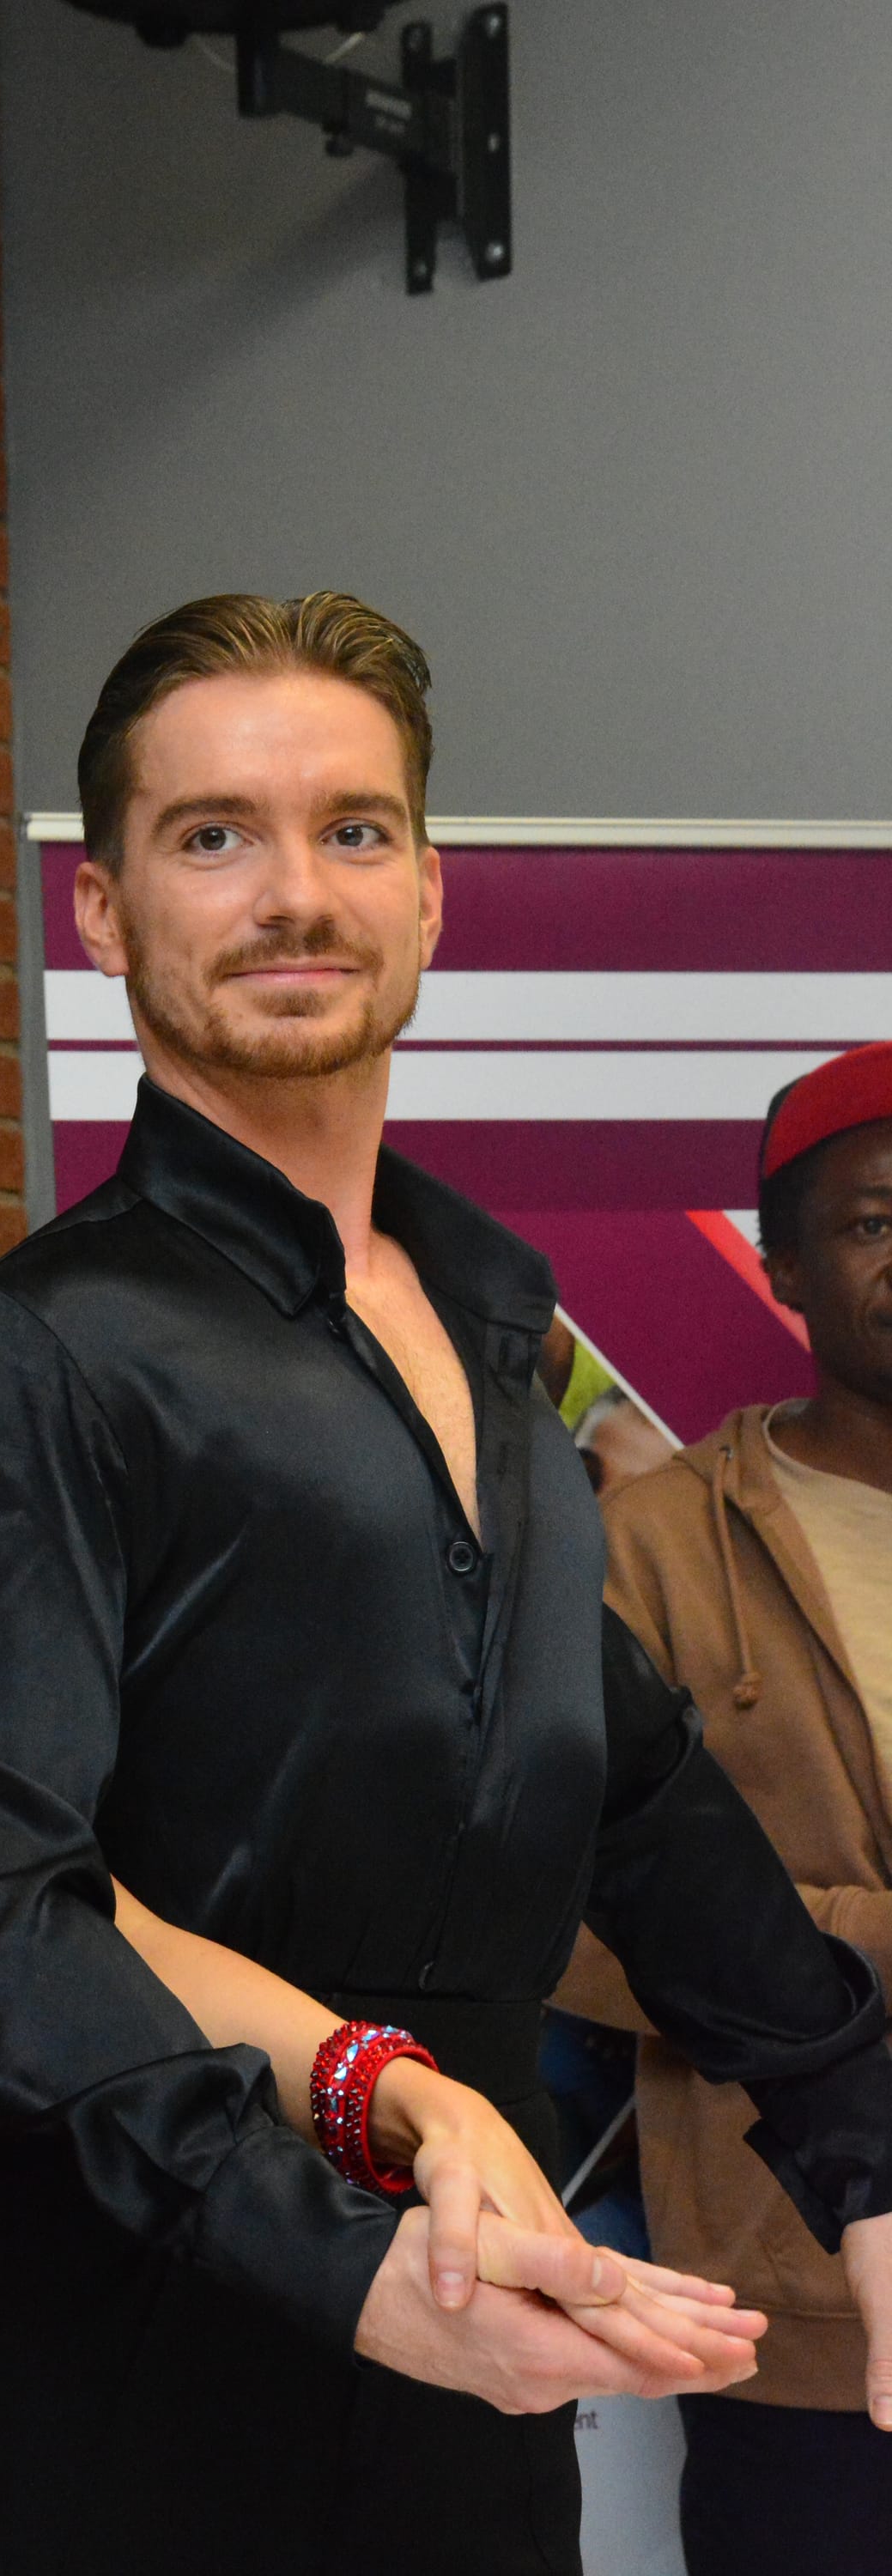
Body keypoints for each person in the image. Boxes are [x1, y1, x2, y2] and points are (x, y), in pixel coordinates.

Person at [0, 592, 892, 2576]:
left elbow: (631, 1788)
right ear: (101, 912)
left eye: (350, 830)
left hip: (472, 2369)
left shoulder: (496, 1327)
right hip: (119, 2370)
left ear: (427, 893)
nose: (292, 894)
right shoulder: (43, 1346)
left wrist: (862, 2159)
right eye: (211, 835)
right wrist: (350, 2266)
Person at [558, 1042, 892, 2576]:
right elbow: (560, 1908)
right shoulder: (652, 1547)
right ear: (784, 1268)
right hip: (799, 2306)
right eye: (874, 1222)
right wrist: (857, 1946)